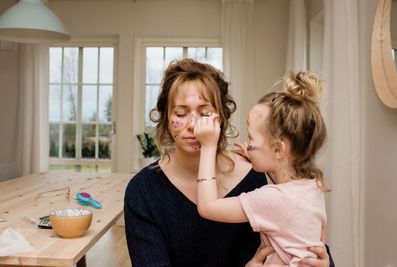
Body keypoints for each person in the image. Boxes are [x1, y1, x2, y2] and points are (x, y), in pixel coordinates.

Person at [124, 59, 333, 267]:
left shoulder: (256, 175)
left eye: (205, 114)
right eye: (181, 113)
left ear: (222, 116)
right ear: (166, 118)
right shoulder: (143, 192)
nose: (194, 126)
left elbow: (297, 238)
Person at [193, 71, 330, 266]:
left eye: (251, 138)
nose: (247, 144)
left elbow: (207, 207)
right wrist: (262, 159)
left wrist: (208, 146)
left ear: (278, 150)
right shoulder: (312, 186)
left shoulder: (273, 199)